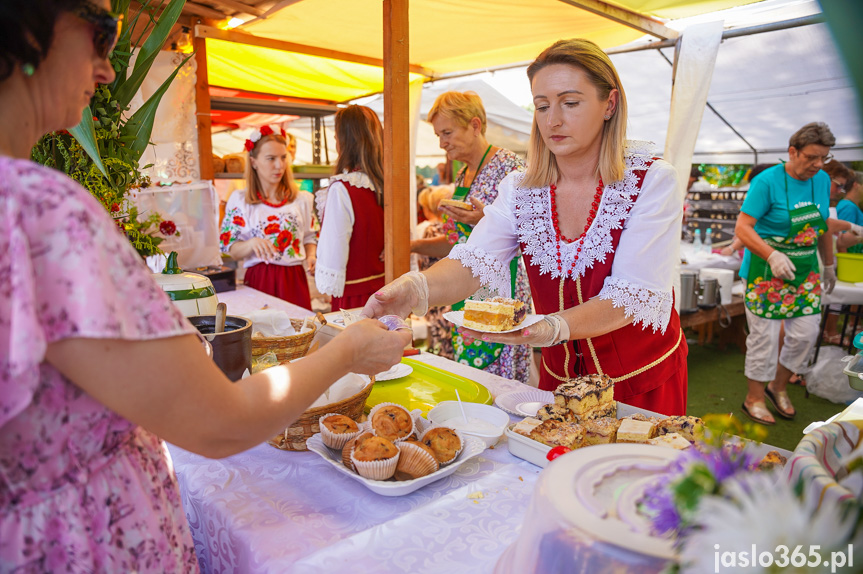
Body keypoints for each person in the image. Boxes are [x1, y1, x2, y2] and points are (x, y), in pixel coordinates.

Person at [0, 3, 410, 570]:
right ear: (25, 26)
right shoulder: (41, 209)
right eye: (100, 34)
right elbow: (219, 423)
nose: (108, 70)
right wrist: (348, 350)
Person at [364, 39, 688, 414]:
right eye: (542, 106)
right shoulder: (522, 188)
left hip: (639, 382)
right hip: (559, 381)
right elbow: (473, 262)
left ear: (609, 104)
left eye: (571, 103)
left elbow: (630, 297)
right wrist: (416, 288)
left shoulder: (650, 180)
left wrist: (548, 328)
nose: (553, 120)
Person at [736, 122, 863, 425]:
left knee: (805, 335)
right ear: (792, 152)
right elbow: (743, 227)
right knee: (764, 339)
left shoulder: (820, 181)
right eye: (812, 157)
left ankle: (777, 387)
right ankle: (753, 398)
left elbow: (819, 226)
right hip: (766, 271)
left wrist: (829, 264)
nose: (819, 165)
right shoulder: (767, 182)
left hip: (804, 271)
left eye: (824, 158)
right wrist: (772, 253)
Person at [415, 90, 533, 383]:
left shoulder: (510, 167)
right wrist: (412, 244)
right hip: (465, 287)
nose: (442, 142)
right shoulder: (462, 174)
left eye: (447, 132)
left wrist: (486, 221)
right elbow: (456, 242)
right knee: (470, 373)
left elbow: (534, 231)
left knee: (498, 376)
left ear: (476, 124)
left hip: (500, 288)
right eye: (438, 135)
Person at [219, 125, 317, 309]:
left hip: (294, 281)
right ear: (254, 161)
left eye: (283, 157)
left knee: (298, 334)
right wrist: (251, 244)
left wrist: (311, 255)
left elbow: (310, 236)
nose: (279, 165)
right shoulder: (240, 200)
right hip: (259, 280)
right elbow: (228, 248)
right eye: (271, 158)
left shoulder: (302, 199)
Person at [314, 105, 386, 311]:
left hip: (355, 299)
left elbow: (333, 255)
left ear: (344, 142)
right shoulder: (388, 185)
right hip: (388, 290)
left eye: (336, 137)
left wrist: (324, 272)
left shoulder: (342, 190)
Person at [413, 185, 455, 356]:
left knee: (442, 346)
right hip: (447, 296)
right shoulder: (446, 231)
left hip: (436, 297)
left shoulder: (431, 230)